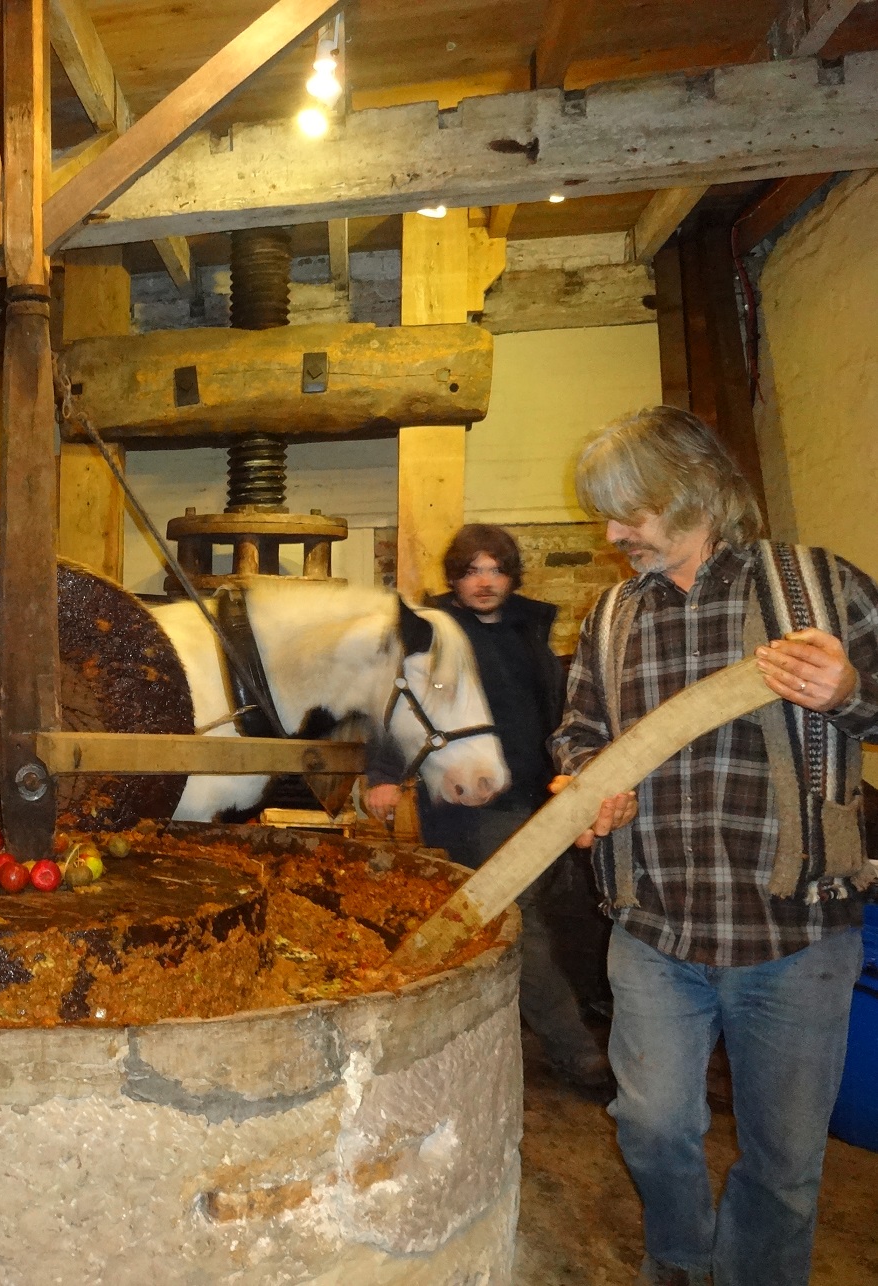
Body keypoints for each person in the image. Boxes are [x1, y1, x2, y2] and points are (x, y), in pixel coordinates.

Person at [549, 406, 877, 1286]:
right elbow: (578, 733)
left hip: (795, 935)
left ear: (694, 489)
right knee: (651, 1125)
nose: (612, 535)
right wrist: (586, 784)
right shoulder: (610, 616)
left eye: (629, 512)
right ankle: (680, 1261)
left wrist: (848, 689)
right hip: (655, 928)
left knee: (784, 1162)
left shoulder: (820, 588)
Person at [365, 522, 611, 1090]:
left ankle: (518, 1024)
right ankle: (574, 1051)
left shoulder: (528, 629)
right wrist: (383, 773)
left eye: (496, 570)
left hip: (542, 795)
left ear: (512, 577)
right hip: (474, 805)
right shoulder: (432, 631)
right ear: (454, 578)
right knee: (518, 920)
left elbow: (558, 711)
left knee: (551, 914)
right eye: (472, 571)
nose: (484, 582)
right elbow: (394, 701)